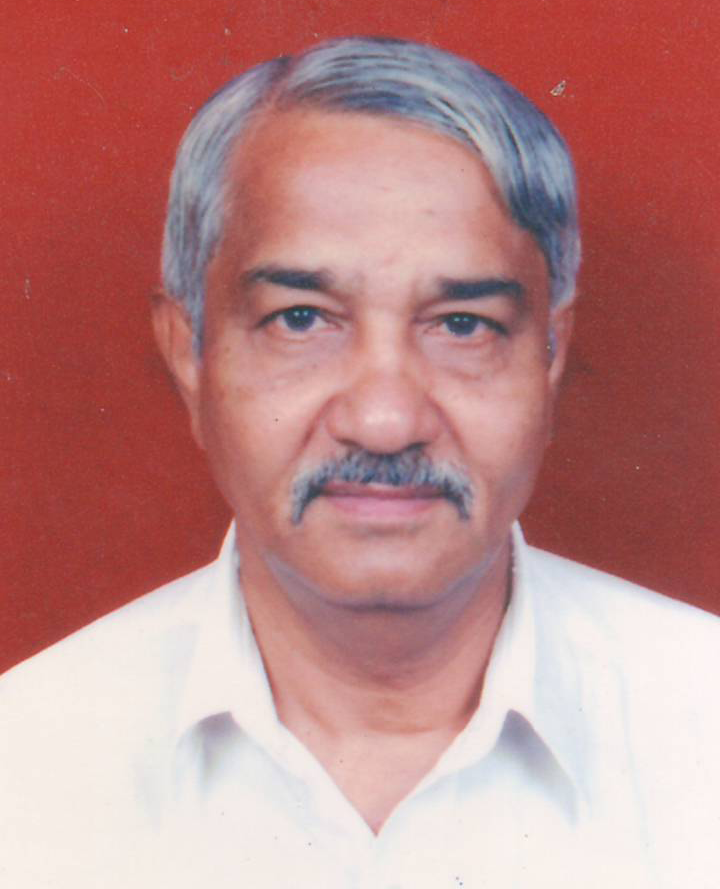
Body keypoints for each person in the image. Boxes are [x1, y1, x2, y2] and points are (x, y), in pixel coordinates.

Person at [1, 36, 718, 889]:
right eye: (301, 318)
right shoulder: (27, 764)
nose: (384, 421)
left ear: (549, 355)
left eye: (463, 325)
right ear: (188, 354)